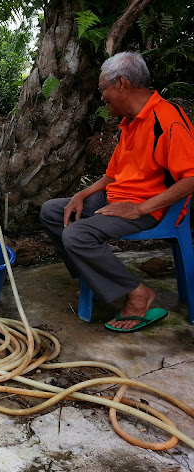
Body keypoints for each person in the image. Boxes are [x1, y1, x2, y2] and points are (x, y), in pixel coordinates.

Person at [40, 51, 194, 331]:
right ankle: (97, 279)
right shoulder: (130, 121)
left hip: (153, 207)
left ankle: (138, 295)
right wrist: (81, 195)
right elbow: (112, 175)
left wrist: (139, 208)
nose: (102, 97)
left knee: (77, 235)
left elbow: (191, 178)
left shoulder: (167, 120)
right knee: (53, 211)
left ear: (121, 83)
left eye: (103, 89)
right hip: (120, 198)